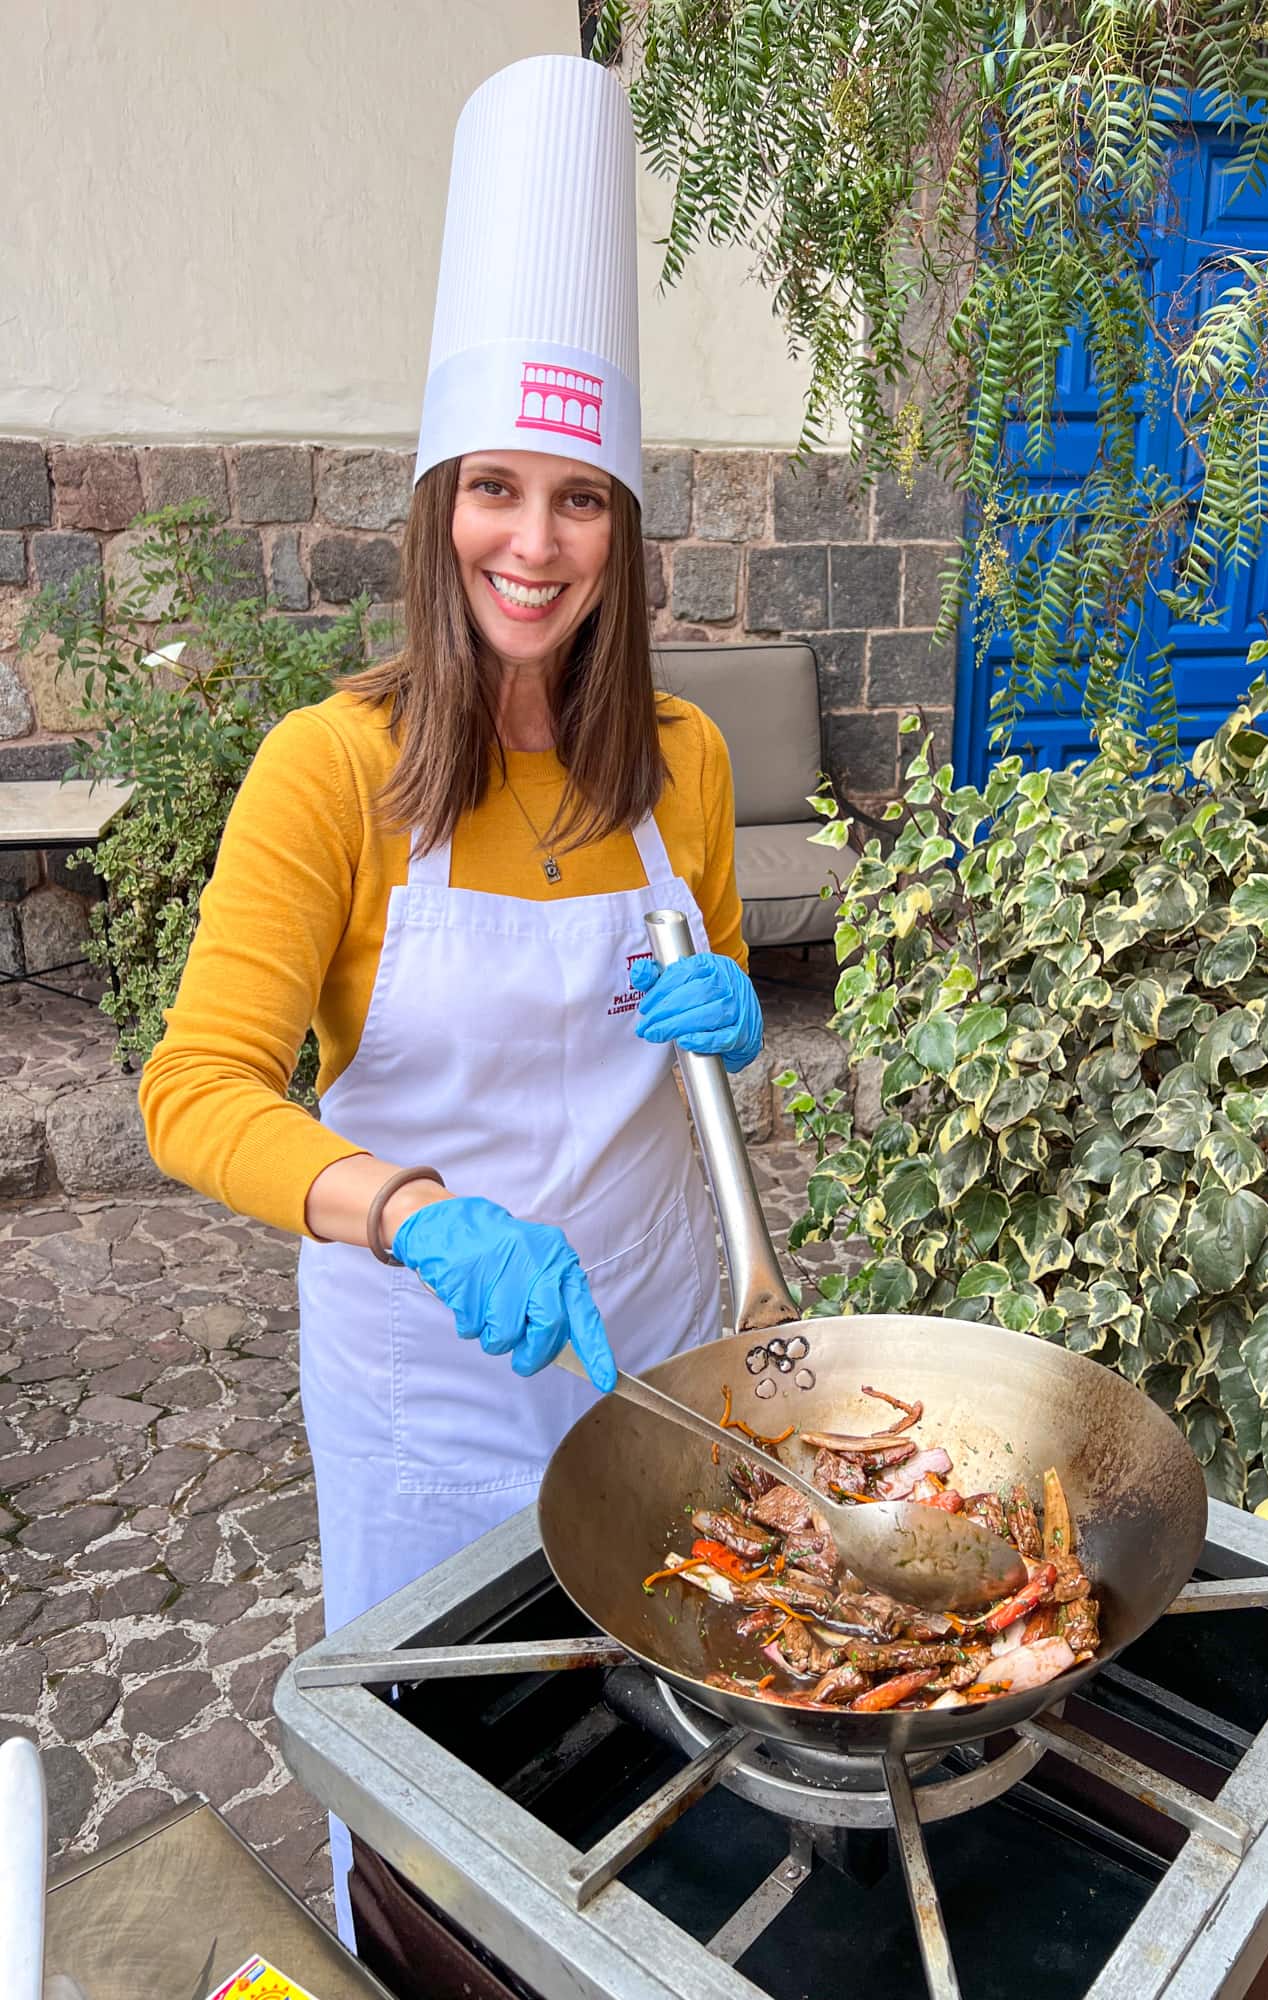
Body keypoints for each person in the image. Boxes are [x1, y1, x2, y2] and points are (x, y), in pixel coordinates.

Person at [138, 53, 760, 1936]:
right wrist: (410, 1213)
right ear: (438, 502)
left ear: (622, 531)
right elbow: (194, 1088)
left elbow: (699, 1027)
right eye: (496, 489)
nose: (535, 545)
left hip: (647, 1339)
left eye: (579, 498)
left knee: (659, 1738)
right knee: (435, 1783)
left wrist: (724, 1009)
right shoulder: (328, 772)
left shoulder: (684, 759)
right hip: (428, 1372)